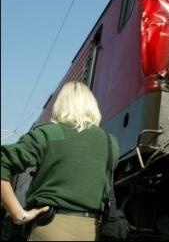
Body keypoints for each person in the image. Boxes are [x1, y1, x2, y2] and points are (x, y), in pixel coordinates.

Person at [1, 81, 120, 241]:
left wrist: (19, 215)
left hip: (49, 229)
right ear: (92, 106)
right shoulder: (110, 142)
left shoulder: (46, 134)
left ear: (60, 105)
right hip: (93, 231)